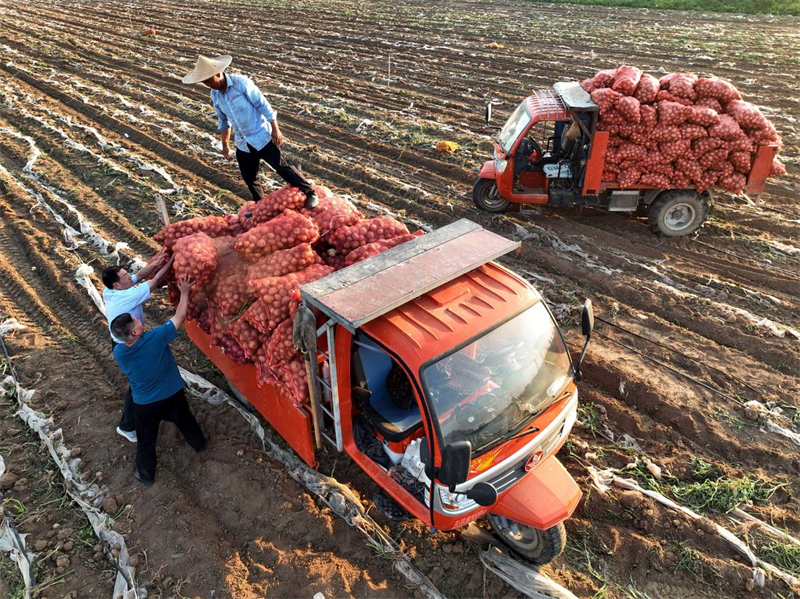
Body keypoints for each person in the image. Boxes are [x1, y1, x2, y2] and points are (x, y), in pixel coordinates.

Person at [182, 54, 319, 209]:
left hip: (260, 135)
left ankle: (309, 192)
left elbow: (263, 105)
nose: (207, 84)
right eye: (204, 82)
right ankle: (261, 206)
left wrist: (275, 129)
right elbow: (223, 121)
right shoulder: (215, 95)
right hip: (243, 142)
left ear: (218, 74)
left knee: (281, 167)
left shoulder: (241, 84)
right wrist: (225, 145)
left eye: (208, 80)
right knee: (249, 177)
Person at [110, 275, 208, 486]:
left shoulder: (120, 352)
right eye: (136, 320)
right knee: (186, 421)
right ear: (135, 332)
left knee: (146, 440)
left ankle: (145, 475)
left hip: (144, 404)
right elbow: (180, 316)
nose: (140, 319)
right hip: (171, 395)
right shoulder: (156, 337)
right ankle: (199, 444)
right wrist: (184, 292)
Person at [102, 250, 173, 443]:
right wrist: (172, 261)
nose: (129, 276)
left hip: (123, 338)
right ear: (117, 284)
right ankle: (126, 426)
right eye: (125, 276)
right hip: (128, 345)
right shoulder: (127, 296)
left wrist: (157, 261)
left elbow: (141, 275)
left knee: (142, 382)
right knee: (138, 386)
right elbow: (156, 280)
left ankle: (160, 403)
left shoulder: (110, 290)